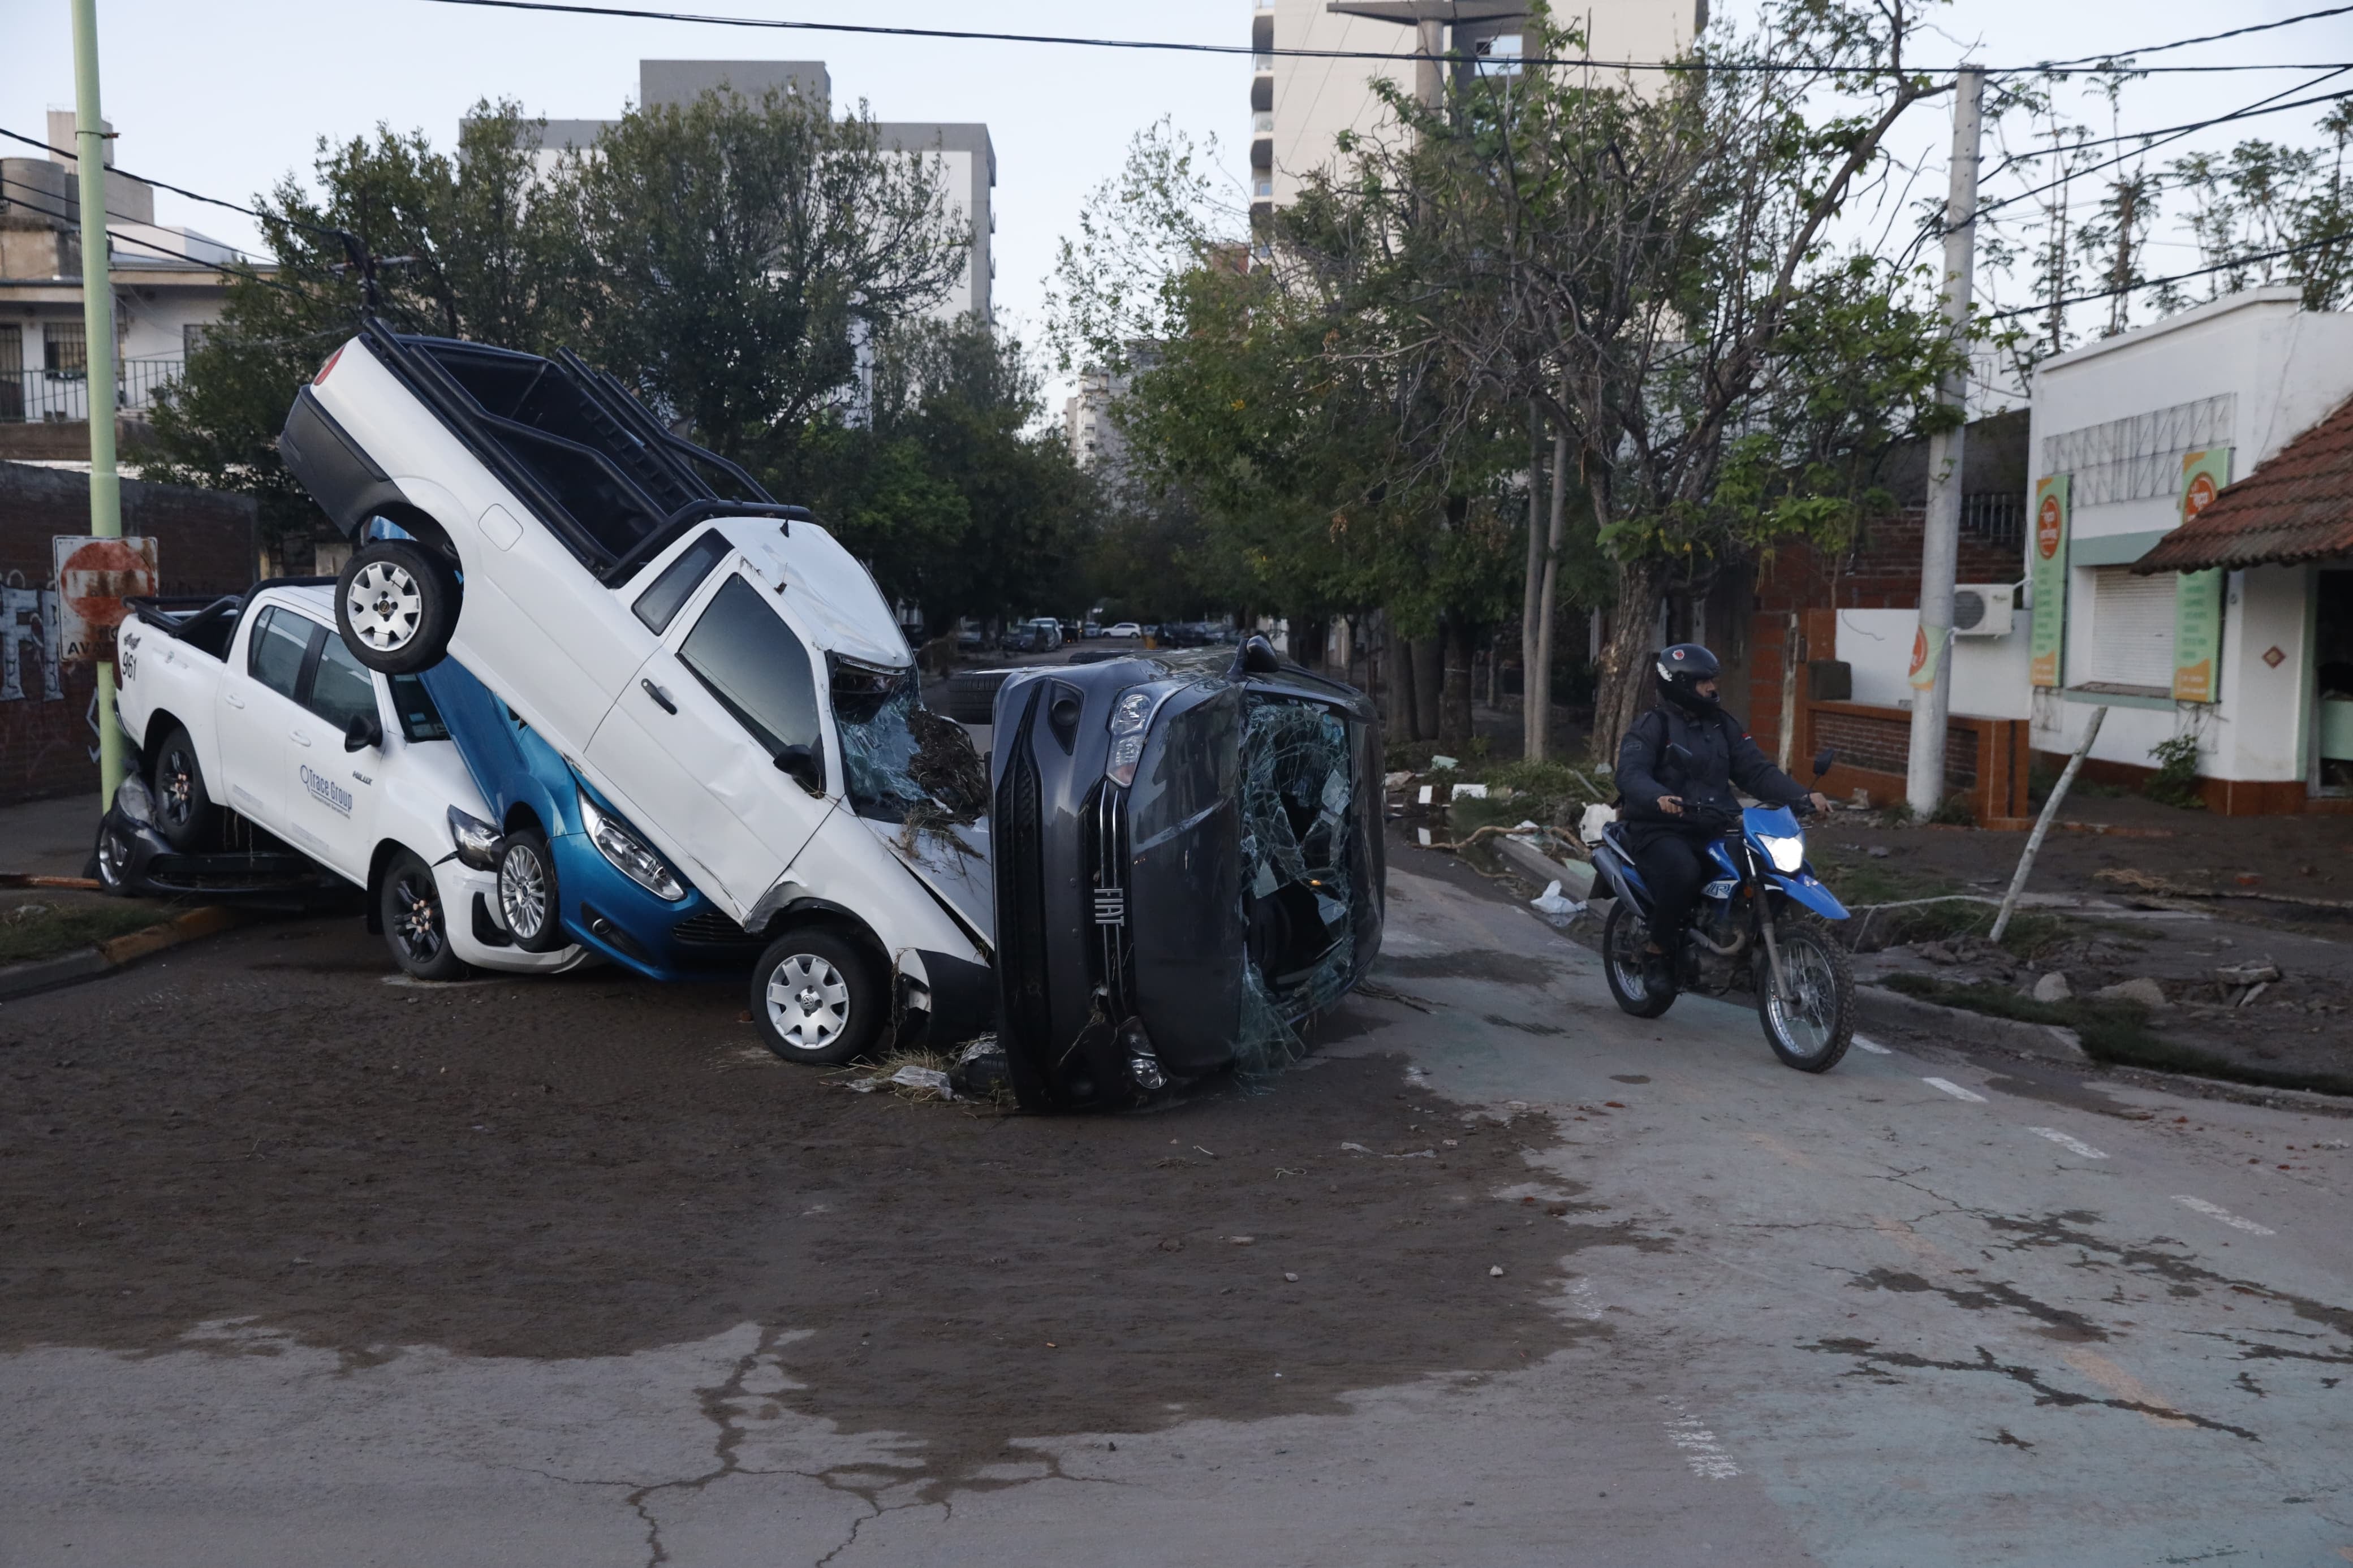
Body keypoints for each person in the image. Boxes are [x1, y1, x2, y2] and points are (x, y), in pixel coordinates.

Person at [1614, 643, 1830, 992]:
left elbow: (1756, 771)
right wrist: (1659, 797)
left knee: (1770, 867)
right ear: (1681, 685)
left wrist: (1802, 796)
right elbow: (1631, 773)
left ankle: (1751, 941)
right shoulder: (1652, 726)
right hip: (1661, 827)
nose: (1712, 688)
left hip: (1716, 823)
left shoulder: (1722, 725)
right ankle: (1657, 952)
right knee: (1683, 873)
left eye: (1712, 681)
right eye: (1704, 682)